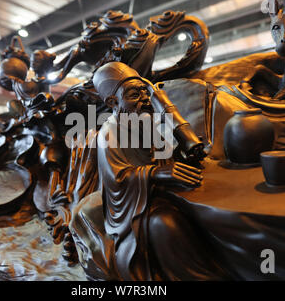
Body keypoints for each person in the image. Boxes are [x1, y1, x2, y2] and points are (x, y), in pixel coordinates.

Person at [88, 62, 229, 280]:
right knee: (164, 222)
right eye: (134, 94)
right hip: (137, 205)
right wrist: (154, 174)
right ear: (112, 101)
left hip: (163, 189)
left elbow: (167, 155)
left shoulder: (148, 122)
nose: (145, 99)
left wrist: (186, 156)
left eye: (145, 92)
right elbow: (118, 180)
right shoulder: (109, 134)